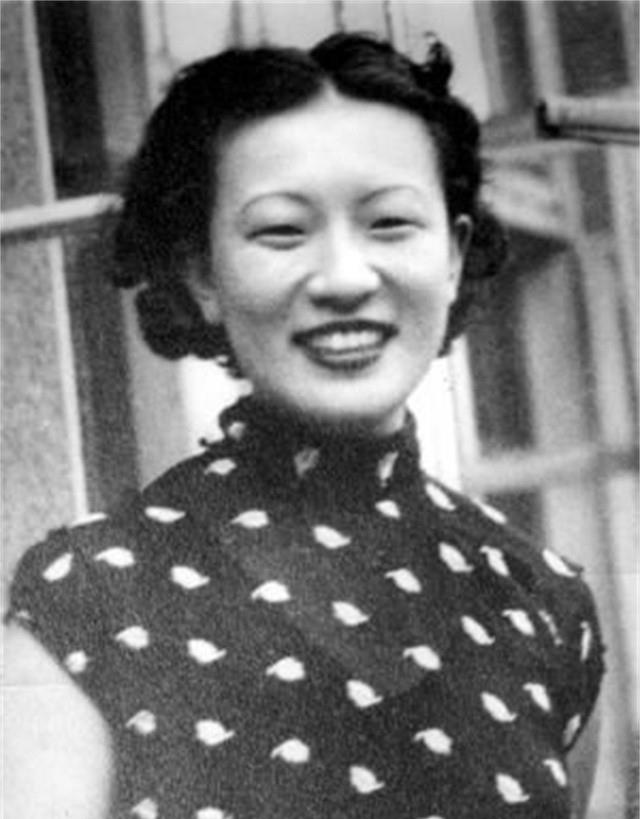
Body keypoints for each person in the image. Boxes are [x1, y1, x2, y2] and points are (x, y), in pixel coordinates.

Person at [5, 32, 604, 819]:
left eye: (390, 222)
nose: (346, 278)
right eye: (283, 230)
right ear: (201, 272)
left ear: (454, 256)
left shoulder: (543, 605)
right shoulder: (86, 600)